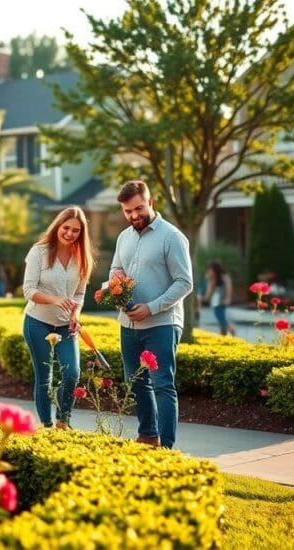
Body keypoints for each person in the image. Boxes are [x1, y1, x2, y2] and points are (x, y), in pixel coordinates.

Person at [109, 181, 192, 448]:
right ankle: (148, 436)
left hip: (162, 324)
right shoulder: (124, 237)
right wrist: (116, 282)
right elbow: (115, 270)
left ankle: (166, 447)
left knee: (162, 385)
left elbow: (184, 282)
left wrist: (151, 307)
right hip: (128, 324)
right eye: (128, 211)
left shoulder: (171, 236)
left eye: (139, 208)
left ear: (151, 202)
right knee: (135, 382)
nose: (134, 215)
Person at [22, 206, 94, 429]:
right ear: (57, 226)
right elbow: (28, 290)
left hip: (66, 326)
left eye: (75, 230)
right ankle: (46, 426)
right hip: (37, 323)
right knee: (44, 378)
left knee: (72, 373)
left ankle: (63, 421)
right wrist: (55, 299)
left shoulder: (81, 257)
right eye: (66, 228)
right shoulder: (39, 252)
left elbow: (79, 294)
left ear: (81, 233)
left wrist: (75, 314)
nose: (70, 233)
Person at [202, 261, 236, 336]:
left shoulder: (224, 276)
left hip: (222, 301)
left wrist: (228, 298)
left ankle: (231, 330)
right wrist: (205, 297)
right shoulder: (213, 278)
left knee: (222, 318)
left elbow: (229, 288)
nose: (209, 271)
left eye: (211, 269)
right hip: (215, 302)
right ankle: (224, 333)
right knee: (220, 318)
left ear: (215, 269)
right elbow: (209, 290)